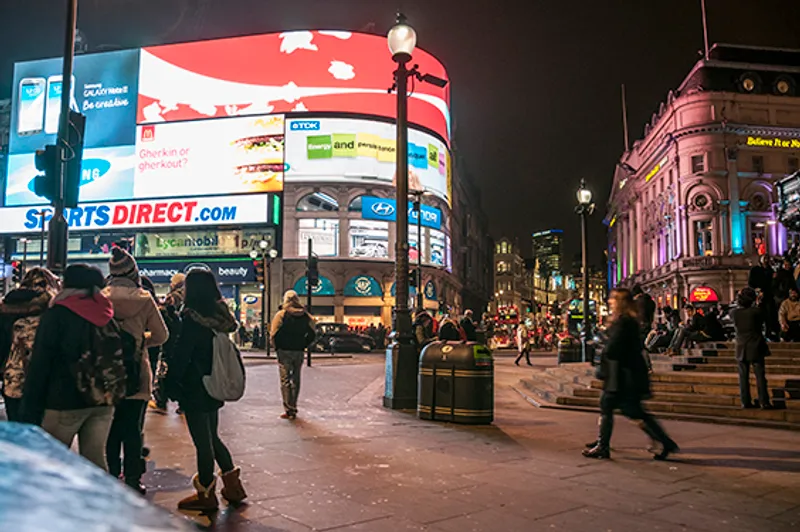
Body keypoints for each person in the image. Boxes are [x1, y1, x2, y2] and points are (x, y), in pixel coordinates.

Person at [20, 265, 116, 470]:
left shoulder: (58, 314)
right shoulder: (107, 315)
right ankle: (100, 501)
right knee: (95, 461)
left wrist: (30, 407)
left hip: (64, 400)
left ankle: (53, 502)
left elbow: (41, 362)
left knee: (51, 464)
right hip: (103, 400)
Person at [165, 269, 245, 512]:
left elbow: (182, 354)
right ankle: (233, 487)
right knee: (212, 436)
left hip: (195, 385)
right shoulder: (220, 317)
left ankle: (206, 493)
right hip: (214, 383)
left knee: (203, 442)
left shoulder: (191, 319)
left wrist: (171, 382)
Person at [583, 288, 678, 461]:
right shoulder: (627, 321)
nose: (610, 302)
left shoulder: (624, 322)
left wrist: (604, 346)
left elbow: (614, 349)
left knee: (628, 410)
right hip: (622, 373)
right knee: (615, 407)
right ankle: (602, 443)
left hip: (622, 375)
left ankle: (664, 442)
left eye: (613, 299)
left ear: (620, 302)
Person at [103, 248, 168, 493]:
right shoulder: (144, 298)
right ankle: (132, 479)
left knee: (110, 430)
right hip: (137, 374)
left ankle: (111, 475)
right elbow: (162, 335)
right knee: (133, 430)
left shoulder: (101, 297)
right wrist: (141, 341)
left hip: (107, 373)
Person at [0, 267, 61, 422]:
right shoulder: (51, 309)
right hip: (42, 380)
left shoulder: (6, 306)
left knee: (16, 429)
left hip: (12, 379)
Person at [270, 290, 316, 421]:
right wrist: (304, 344)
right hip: (298, 350)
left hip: (284, 350)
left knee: (285, 380)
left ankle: (288, 408)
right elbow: (312, 333)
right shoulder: (305, 316)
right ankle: (294, 407)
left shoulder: (282, 314)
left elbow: (274, 333)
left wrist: (276, 346)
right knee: (296, 378)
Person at [731, 288, 773, 409]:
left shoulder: (734, 313)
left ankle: (745, 401)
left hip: (740, 346)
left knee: (743, 377)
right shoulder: (757, 312)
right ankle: (763, 401)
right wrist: (758, 302)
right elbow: (765, 318)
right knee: (760, 375)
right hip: (755, 345)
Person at [749, 255, 779, 340]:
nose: (766, 260)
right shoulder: (755, 270)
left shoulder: (771, 270)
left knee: (769, 315)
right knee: (758, 315)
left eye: (767, 258)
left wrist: (774, 278)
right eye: (764, 258)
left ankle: (768, 333)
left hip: (768, 295)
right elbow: (751, 283)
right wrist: (757, 290)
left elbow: (773, 284)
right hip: (759, 296)